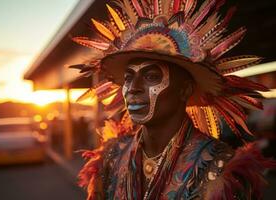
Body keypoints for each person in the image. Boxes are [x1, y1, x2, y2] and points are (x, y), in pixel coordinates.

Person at [71, 0, 275, 199]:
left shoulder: (219, 166)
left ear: (184, 90)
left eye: (151, 77)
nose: (133, 89)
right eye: (128, 78)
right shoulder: (111, 154)